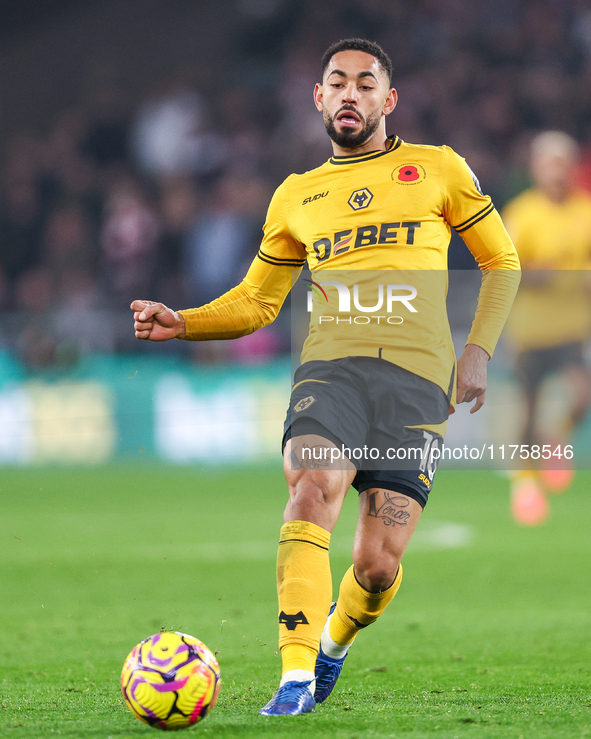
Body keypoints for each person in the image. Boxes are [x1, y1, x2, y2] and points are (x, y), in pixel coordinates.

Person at [131, 38, 520, 715]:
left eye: (365, 84)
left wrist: (478, 349)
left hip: (415, 384)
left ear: (388, 100)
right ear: (316, 98)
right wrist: (184, 320)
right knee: (311, 484)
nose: (349, 94)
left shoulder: (437, 170)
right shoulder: (296, 196)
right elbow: (256, 301)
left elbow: (502, 261)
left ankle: (334, 641)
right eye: (336, 82)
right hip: (329, 371)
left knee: (376, 565)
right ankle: (295, 674)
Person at [502, 131, 591, 526]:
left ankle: (556, 441)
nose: (557, 172)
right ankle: (525, 483)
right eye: (549, 164)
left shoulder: (585, 211)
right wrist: (544, 273)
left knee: (581, 393)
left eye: (563, 164)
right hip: (530, 330)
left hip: (573, 327)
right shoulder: (522, 214)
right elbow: (506, 271)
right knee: (529, 408)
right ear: (537, 170)